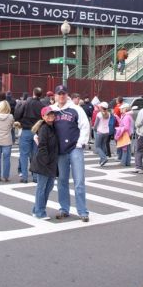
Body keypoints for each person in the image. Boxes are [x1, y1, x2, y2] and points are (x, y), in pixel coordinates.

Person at [51, 85, 90, 222]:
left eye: (63, 93)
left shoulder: (76, 109)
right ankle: (64, 208)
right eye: (59, 94)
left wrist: (80, 144)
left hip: (75, 148)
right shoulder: (52, 110)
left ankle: (82, 211)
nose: (61, 96)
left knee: (79, 181)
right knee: (62, 181)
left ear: (67, 95)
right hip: (60, 150)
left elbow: (85, 126)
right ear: (55, 96)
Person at [30, 106, 59, 219]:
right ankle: (40, 212)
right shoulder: (44, 128)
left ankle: (36, 209)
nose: (51, 116)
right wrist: (46, 161)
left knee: (49, 187)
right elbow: (42, 146)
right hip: (44, 163)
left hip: (51, 162)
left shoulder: (52, 127)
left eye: (52, 114)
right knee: (42, 188)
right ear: (43, 116)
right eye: (48, 114)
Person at [14, 87, 44, 183]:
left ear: (33, 93)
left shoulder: (26, 103)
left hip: (26, 130)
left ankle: (24, 176)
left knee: (23, 154)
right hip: (37, 132)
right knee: (35, 154)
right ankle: (35, 176)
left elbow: (17, 115)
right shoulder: (42, 105)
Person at [0, 100, 14, 181]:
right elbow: (11, 126)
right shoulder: (10, 116)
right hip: (7, 139)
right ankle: (6, 176)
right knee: (6, 158)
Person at [133, 105, 143, 174]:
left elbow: (138, 123)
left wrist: (136, 126)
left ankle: (139, 167)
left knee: (139, 150)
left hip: (142, 133)